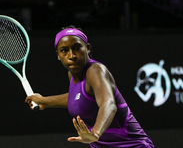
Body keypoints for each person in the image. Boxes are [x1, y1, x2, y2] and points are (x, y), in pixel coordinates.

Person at [25, 25, 155, 148]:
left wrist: (95, 134)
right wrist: (44, 101)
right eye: (64, 51)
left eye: (77, 48)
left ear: (87, 48)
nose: (72, 56)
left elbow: (108, 103)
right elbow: (78, 98)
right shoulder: (72, 74)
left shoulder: (95, 70)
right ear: (58, 55)